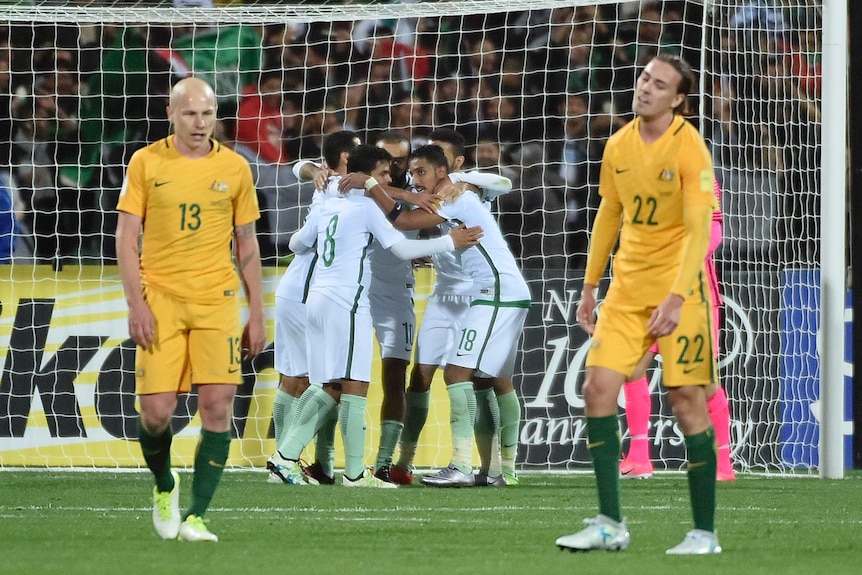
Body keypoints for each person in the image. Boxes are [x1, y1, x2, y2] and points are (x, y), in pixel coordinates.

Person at [554, 54, 721, 555]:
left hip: (680, 292)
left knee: (686, 401)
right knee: (597, 387)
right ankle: (609, 523)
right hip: (625, 292)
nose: (647, 88)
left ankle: (704, 533)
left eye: (660, 84)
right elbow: (609, 212)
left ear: (678, 99)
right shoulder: (618, 144)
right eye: (645, 78)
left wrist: (675, 296)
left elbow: (698, 230)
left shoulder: (690, 148)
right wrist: (588, 285)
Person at [268, 144, 482, 488]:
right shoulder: (367, 207)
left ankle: (325, 466)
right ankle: (296, 459)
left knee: (331, 385)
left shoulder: (327, 201)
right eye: (383, 173)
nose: (390, 176)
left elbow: (295, 243)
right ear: (365, 176)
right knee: (352, 386)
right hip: (348, 301)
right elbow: (400, 247)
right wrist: (449, 243)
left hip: (317, 298)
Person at [116, 77, 265, 542]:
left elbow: (247, 243)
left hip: (217, 300)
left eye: (208, 113)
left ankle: (197, 516)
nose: (201, 123)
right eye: (190, 114)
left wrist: (256, 312)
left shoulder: (236, 168)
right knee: (157, 414)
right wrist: (136, 304)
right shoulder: (146, 162)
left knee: (217, 407)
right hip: (160, 300)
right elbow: (125, 237)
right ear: (171, 113)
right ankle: (164, 484)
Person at [364, 144, 530, 488]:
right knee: (467, 378)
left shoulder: (459, 194)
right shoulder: (449, 197)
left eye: (421, 171)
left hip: (493, 294)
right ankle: (493, 471)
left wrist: (369, 187)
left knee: (462, 377)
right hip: (491, 294)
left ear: (445, 171)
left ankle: (464, 466)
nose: (414, 179)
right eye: (412, 173)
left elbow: (404, 219)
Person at [619, 178, 735, 482]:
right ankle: (639, 458)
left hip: (694, 298)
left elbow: (714, 233)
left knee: (702, 383)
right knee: (631, 366)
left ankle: (722, 461)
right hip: (651, 293)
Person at [267, 130, 362, 486]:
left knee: (300, 376)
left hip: (298, 286)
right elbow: (302, 240)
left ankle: (295, 462)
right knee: (317, 380)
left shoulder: (332, 183)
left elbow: (298, 167)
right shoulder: (342, 191)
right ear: (346, 160)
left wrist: (311, 169)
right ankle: (285, 459)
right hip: (308, 288)